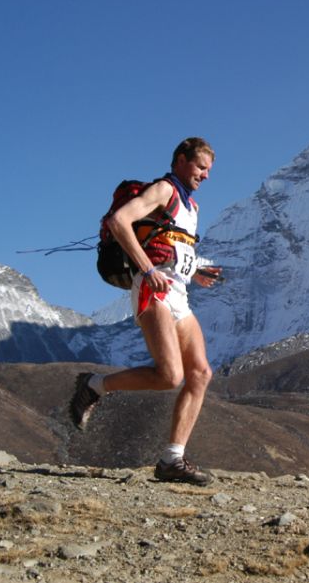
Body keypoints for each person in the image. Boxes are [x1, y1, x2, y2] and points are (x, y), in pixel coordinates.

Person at [70, 137, 222, 486]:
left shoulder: (192, 207)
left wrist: (194, 271)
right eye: (200, 167)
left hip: (178, 293)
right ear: (181, 161)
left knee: (199, 373)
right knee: (170, 376)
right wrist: (148, 270)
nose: (206, 175)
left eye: (209, 170)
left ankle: (172, 459)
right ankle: (94, 385)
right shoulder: (164, 190)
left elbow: (172, 245)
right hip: (152, 290)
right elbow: (120, 221)